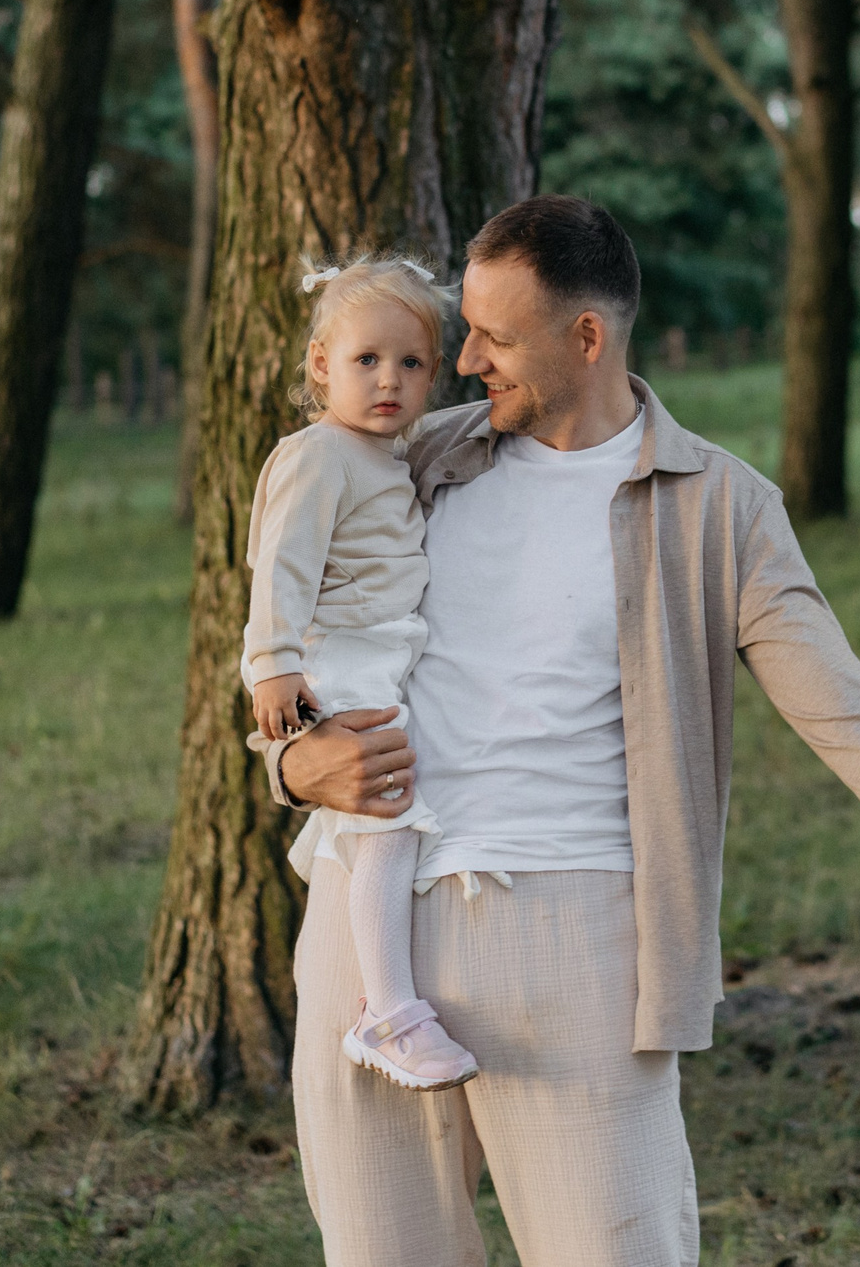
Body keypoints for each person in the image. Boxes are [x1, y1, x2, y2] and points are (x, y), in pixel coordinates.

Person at [255, 195, 860, 1267]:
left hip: (573, 935)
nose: (462, 358)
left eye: (493, 334)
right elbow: (304, 615)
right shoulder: (415, 457)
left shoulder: (721, 508)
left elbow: (850, 712)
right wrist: (296, 759)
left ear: (586, 336)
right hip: (367, 925)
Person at [243, 256, 478, 1093]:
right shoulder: (318, 455)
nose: (391, 380)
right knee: (386, 819)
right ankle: (389, 1012)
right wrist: (272, 667)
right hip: (340, 656)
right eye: (366, 361)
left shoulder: (384, 453)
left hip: (383, 653)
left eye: (412, 363)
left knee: (380, 822)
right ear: (320, 366)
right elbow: (280, 567)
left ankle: (380, 987)